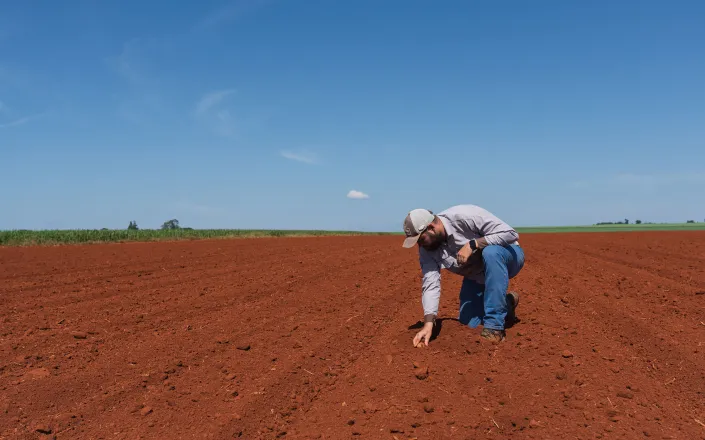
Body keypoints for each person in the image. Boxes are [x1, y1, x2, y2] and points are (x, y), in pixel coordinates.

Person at [402, 204, 525, 345]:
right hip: (477, 274)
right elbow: (431, 283)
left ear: (431, 227)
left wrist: (474, 244)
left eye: (421, 239)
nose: (420, 245)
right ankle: (507, 303)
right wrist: (428, 323)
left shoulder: (465, 216)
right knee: (469, 324)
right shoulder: (427, 249)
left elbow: (510, 233)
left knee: (491, 253)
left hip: (508, 256)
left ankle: (494, 327)